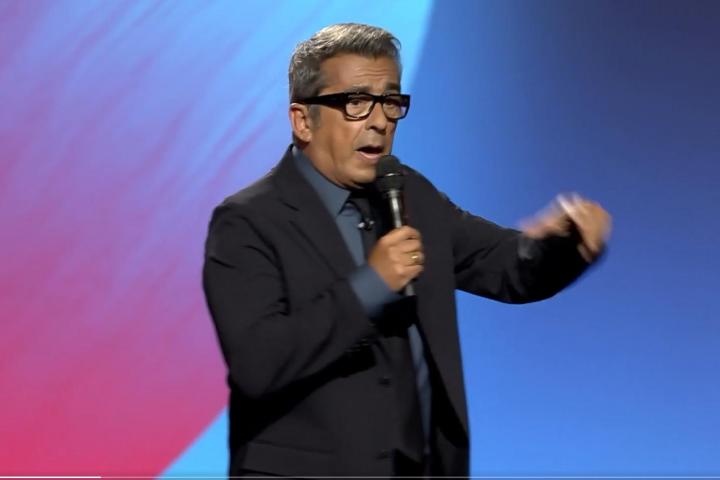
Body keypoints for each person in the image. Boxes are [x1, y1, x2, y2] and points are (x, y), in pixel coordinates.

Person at [202, 23, 611, 477]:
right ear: (303, 120)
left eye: (391, 102)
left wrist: (563, 245)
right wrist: (372, 286)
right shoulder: (249, 220)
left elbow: (506, 267)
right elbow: (258, 364)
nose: (380, 121)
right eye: (356, 102)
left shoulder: (411, 195)